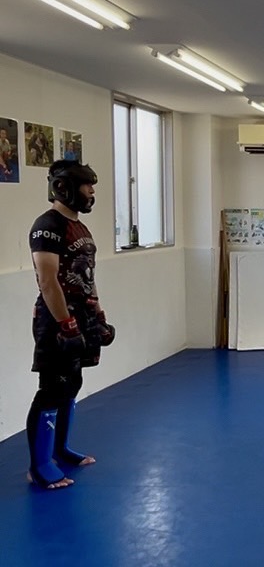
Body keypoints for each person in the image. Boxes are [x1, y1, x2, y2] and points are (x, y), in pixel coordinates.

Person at [26, 160, 116, 489]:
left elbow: (88, 275)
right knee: (51, 389)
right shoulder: (46, 226)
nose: (91, 192)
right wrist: (66, 324)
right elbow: (48, 282)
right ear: (64, 187)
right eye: (86, 186)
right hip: (56, 319)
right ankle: (39, 466)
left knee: (71, 385)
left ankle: (60, 450)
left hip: (82, 315)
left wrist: (98, 314)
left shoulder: (79, 227)